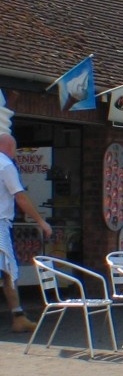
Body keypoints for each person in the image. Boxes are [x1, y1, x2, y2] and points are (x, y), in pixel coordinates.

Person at [0, 134, 53, 333]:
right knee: (8, 271)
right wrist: (40, 222)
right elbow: (20, 197)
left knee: (8, 271)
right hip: (0, 223)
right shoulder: (5, 165)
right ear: (10, 147)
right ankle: (18, 316)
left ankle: (18, 315)